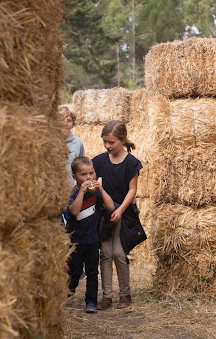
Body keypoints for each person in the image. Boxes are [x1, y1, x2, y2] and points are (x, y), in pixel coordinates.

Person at [92, 120, 143, 310]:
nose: (107, 146)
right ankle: (106, 297)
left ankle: (125, 295)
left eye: (111, 142)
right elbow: (91, 180)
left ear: (122, 140)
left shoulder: (131, 163)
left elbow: (132, 190)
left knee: (119, 254)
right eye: (105, 141)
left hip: (124, 213)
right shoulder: (99, 161)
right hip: (105, 214)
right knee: (105, 254)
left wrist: (120, 210)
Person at [66, 156, 115, 314]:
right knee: (74, 271)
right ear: (74, 177)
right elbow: (74, 211)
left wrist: (102, 190)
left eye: (91, 173)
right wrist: (81, 192)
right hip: (75, 241)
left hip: (92, 240)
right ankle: (68, 291)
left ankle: (91, 301)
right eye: (83, 174)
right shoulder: (72, 193)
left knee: (92, 273)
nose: (88, 178)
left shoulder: (96, 194)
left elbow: (111, 207)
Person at [59, 105, 85, 188]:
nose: (65, 123)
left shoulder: (78, 143)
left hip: (72, 187)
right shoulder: (51, 142)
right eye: (62, 120)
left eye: (69, 120)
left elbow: (82, 166)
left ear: (73, 124)